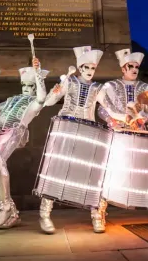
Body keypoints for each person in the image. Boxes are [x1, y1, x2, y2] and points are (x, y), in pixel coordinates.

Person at [97, 49, 148, 222]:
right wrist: (112, 121)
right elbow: (102, 109)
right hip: (119, 133)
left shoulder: (145, 88)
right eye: (130, 66)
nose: (134, 69)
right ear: (123, 68)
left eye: (137, 67)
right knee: (112, 172)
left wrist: (142, 119)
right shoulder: (110, 86)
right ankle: (101, 209)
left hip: (139, 133)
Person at [38, 46, 106, 234]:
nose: (90, 71)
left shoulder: (97, 88)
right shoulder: (70, 82)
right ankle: (44, 214)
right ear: (80, 67)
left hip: (89, 132)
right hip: (66, 129)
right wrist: (58, 87)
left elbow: (110, 108)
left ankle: (96, 215)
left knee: (93, 173)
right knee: (55, 170)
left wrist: (125, 116)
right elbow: (49, 102)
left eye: (93, 68)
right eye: (86, 67)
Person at [0, 57, 48, 229]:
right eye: (25, 86)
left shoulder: (35, 103)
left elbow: (42, 98)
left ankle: (5, 206)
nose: (27, 89)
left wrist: (38, 72)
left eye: (31, 86)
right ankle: (12, 213)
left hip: (14, 131)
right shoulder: (12, 99)